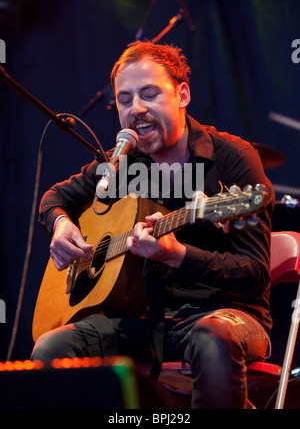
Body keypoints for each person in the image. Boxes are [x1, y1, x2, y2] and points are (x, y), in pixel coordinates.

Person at [32, 40, 275, 409]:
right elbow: (54, 198)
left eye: (150, 94)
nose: (137, 109)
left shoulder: (233, 160)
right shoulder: (123, 165)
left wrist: (178, 255)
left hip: (225, 317)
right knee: (53, 346)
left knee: (212, 336)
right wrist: (61, 225)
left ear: (182, 94)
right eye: (125, 99)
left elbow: (256, 273)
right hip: (145, 319)